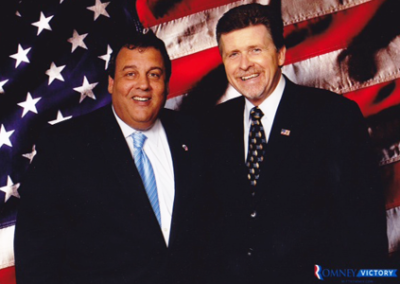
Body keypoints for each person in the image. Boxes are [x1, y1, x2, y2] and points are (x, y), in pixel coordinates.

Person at [202, 3, 389, 283]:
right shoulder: (211, 126)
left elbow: (364, 231)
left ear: (280, 54)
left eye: (255, 50)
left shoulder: (333, 116)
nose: (244, 65)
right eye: (233, 54)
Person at [14, 31, 204, 284]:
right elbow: (35, 253)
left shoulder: (194, 134)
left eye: (154, 74)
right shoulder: (64, 145)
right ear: (112, 83)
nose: (143, 85)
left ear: (166, 85)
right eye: (130, 74)